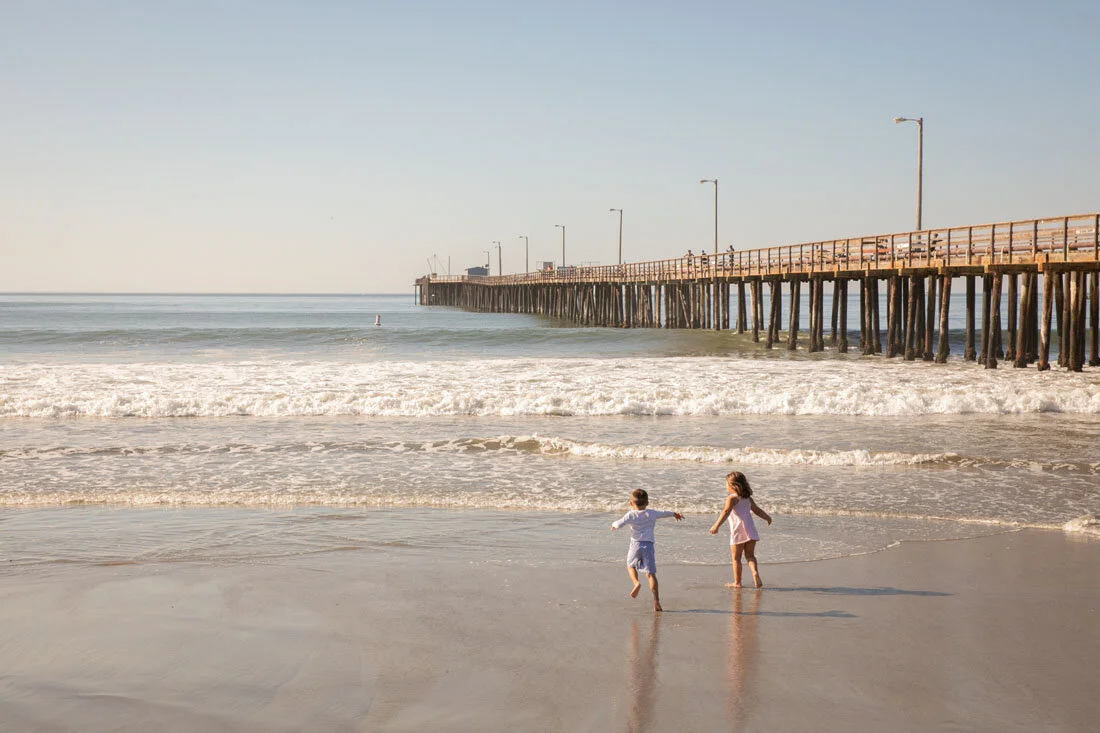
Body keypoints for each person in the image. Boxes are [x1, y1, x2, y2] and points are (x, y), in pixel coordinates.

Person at [611, 489, 683, 612]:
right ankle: (656, 602)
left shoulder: (631, 515)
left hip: (635, 544)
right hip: (648, 545)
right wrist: (674, 514)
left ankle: (636, 583)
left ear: (631, 504)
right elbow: (664, 513)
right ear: (647, 503)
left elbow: (618, 524)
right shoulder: (652, 513)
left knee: (630, 565)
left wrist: (613, 525)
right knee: (651, 574)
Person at [709, 471, 772, 588]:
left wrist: (716, 525)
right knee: (750, 556)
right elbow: (757, 510)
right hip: (751, 530)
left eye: (726, 484)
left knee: (736, 558)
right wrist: (767, 517)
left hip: (738, 531)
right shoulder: (748, 499)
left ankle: (737, 582)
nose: (725, 486)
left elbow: (726, 512)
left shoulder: (732, 499)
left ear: (732, 486)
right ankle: (754, 572)